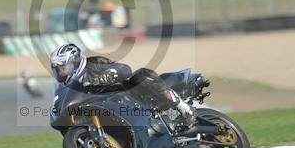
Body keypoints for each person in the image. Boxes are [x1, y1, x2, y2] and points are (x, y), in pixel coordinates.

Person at [49, 43, 197, 127]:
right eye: (58, 70)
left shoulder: (94, 63)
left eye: (63, 68)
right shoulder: (67, 88)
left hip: (132, 97)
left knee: (141, 75)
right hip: (107, 110)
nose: (61, 73)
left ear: (75, 62)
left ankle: (184, 109)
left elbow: (125, 69)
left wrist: (106, 75)